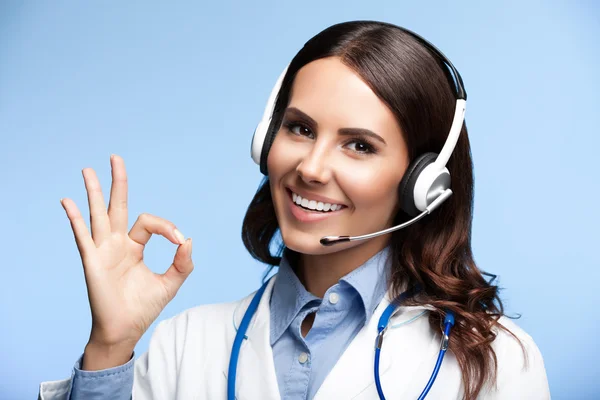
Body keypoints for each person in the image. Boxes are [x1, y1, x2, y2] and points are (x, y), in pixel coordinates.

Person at [38, 20, 550, 400]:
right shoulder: (184, 346)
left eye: (359, 146)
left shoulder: (498, 361)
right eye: (300, 128)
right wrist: (110, 345)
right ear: (267, 139)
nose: (311, 168)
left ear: (423, 184)